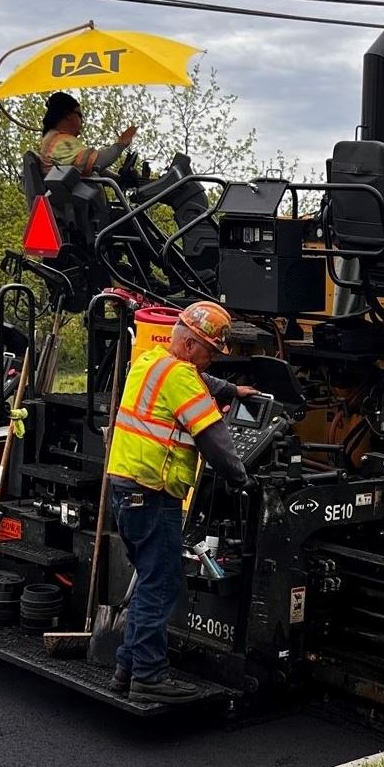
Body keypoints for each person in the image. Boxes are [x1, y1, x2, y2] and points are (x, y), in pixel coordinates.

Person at [104, 300, 255, 706]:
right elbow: (216, 441)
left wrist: (231, 390)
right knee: (163, 582)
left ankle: (127, 667)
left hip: (125, 490)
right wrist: (244, 480)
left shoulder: (150, 361)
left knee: (150, 579)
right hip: (153, 495)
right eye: (210, 353)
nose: (211, 363)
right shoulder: (184, 377)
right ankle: (149, 676)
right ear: (190, 346)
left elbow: (202, 386)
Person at [38, 91, 139, 178]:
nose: (82, 122)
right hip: (72, 200)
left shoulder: (54, 140)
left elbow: (94, 168)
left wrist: (117, 178)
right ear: (68, 115)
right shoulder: (59, 141)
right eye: (80, 115)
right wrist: (121, 143)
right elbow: (95, 162)